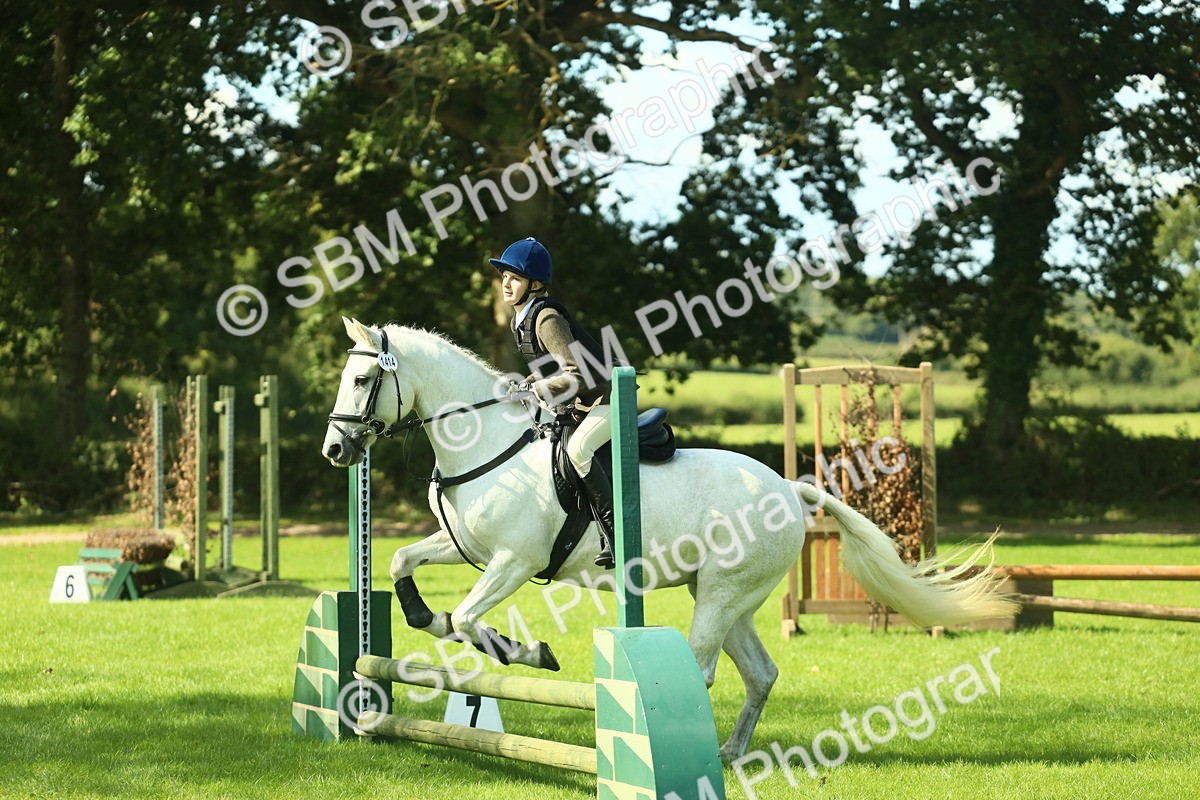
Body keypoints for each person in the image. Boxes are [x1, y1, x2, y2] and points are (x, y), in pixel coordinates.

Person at [490, 237, 617, 569]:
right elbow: (551, 369)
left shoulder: (545, 318)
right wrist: (527, 383)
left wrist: (538, 388)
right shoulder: (524, 319)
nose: (506, 283)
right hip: (581, 403)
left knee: (578, 451)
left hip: (607, 399)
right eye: (504, 275)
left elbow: (574, 375)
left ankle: (616, 533)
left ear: (534, 284)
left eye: (514, 278)